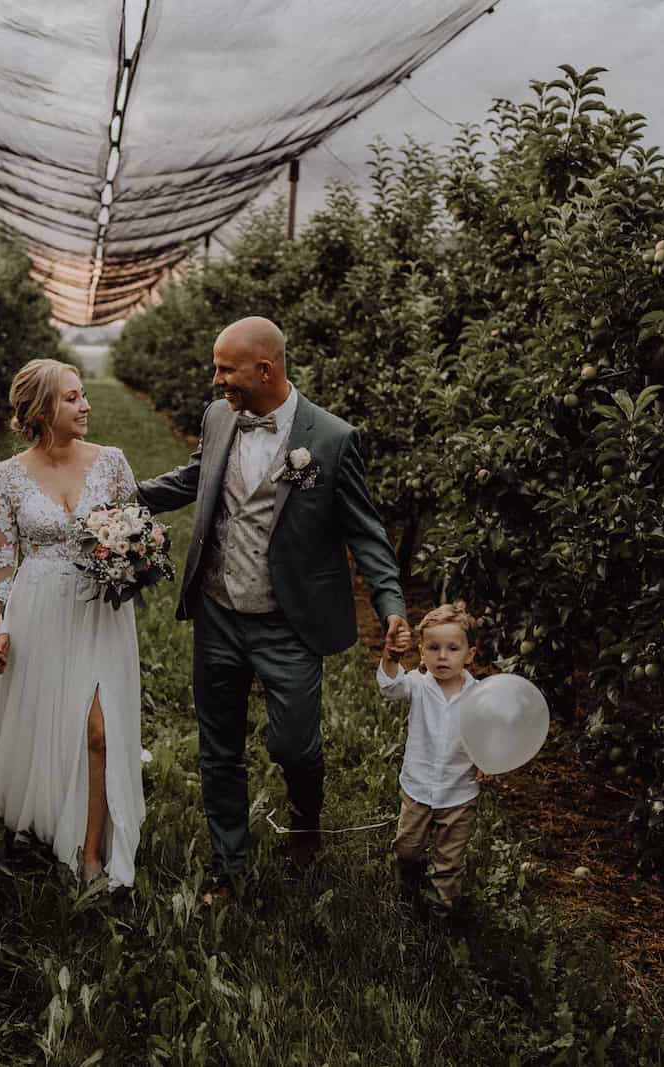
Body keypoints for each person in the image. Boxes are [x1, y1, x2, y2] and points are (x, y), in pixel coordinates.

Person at [137, 316, 411, 903]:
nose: (217, 381)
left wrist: (391, 606)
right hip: (218, 612)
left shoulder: (332, 440)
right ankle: (227, 867)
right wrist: (117, 494)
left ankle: (305, 818)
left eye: (225, 369)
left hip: (289, 622)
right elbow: (196, 478)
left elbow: (366, 534)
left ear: (265, 369)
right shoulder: (218, 418)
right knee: (219, 744)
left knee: (294, 745)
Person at [0, 359, 146, 887]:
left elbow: (133, 532)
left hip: (99, 610)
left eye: (83, 396)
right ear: (43, 409)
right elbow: (0, 560)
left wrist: (135, 559)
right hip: (38, 610)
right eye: (73, 398)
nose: (86, 405)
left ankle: (93, 853)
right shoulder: (6, 477)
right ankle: (53, 819)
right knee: (50, 722)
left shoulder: (113, 463)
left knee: (97, 730)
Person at [378, 601, 481, 913]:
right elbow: (390, 687)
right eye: (433, 648)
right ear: (421, 652)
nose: (442, 656)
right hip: (418, 788)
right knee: (407, 849)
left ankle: (443, 906)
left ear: (470, 655)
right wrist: (391, 658)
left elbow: (489, 736)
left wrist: (489, 762)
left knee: (450, 857)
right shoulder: (418, 686)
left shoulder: (479, 696)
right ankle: (408, 885)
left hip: (460, 793)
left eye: (452, 648)